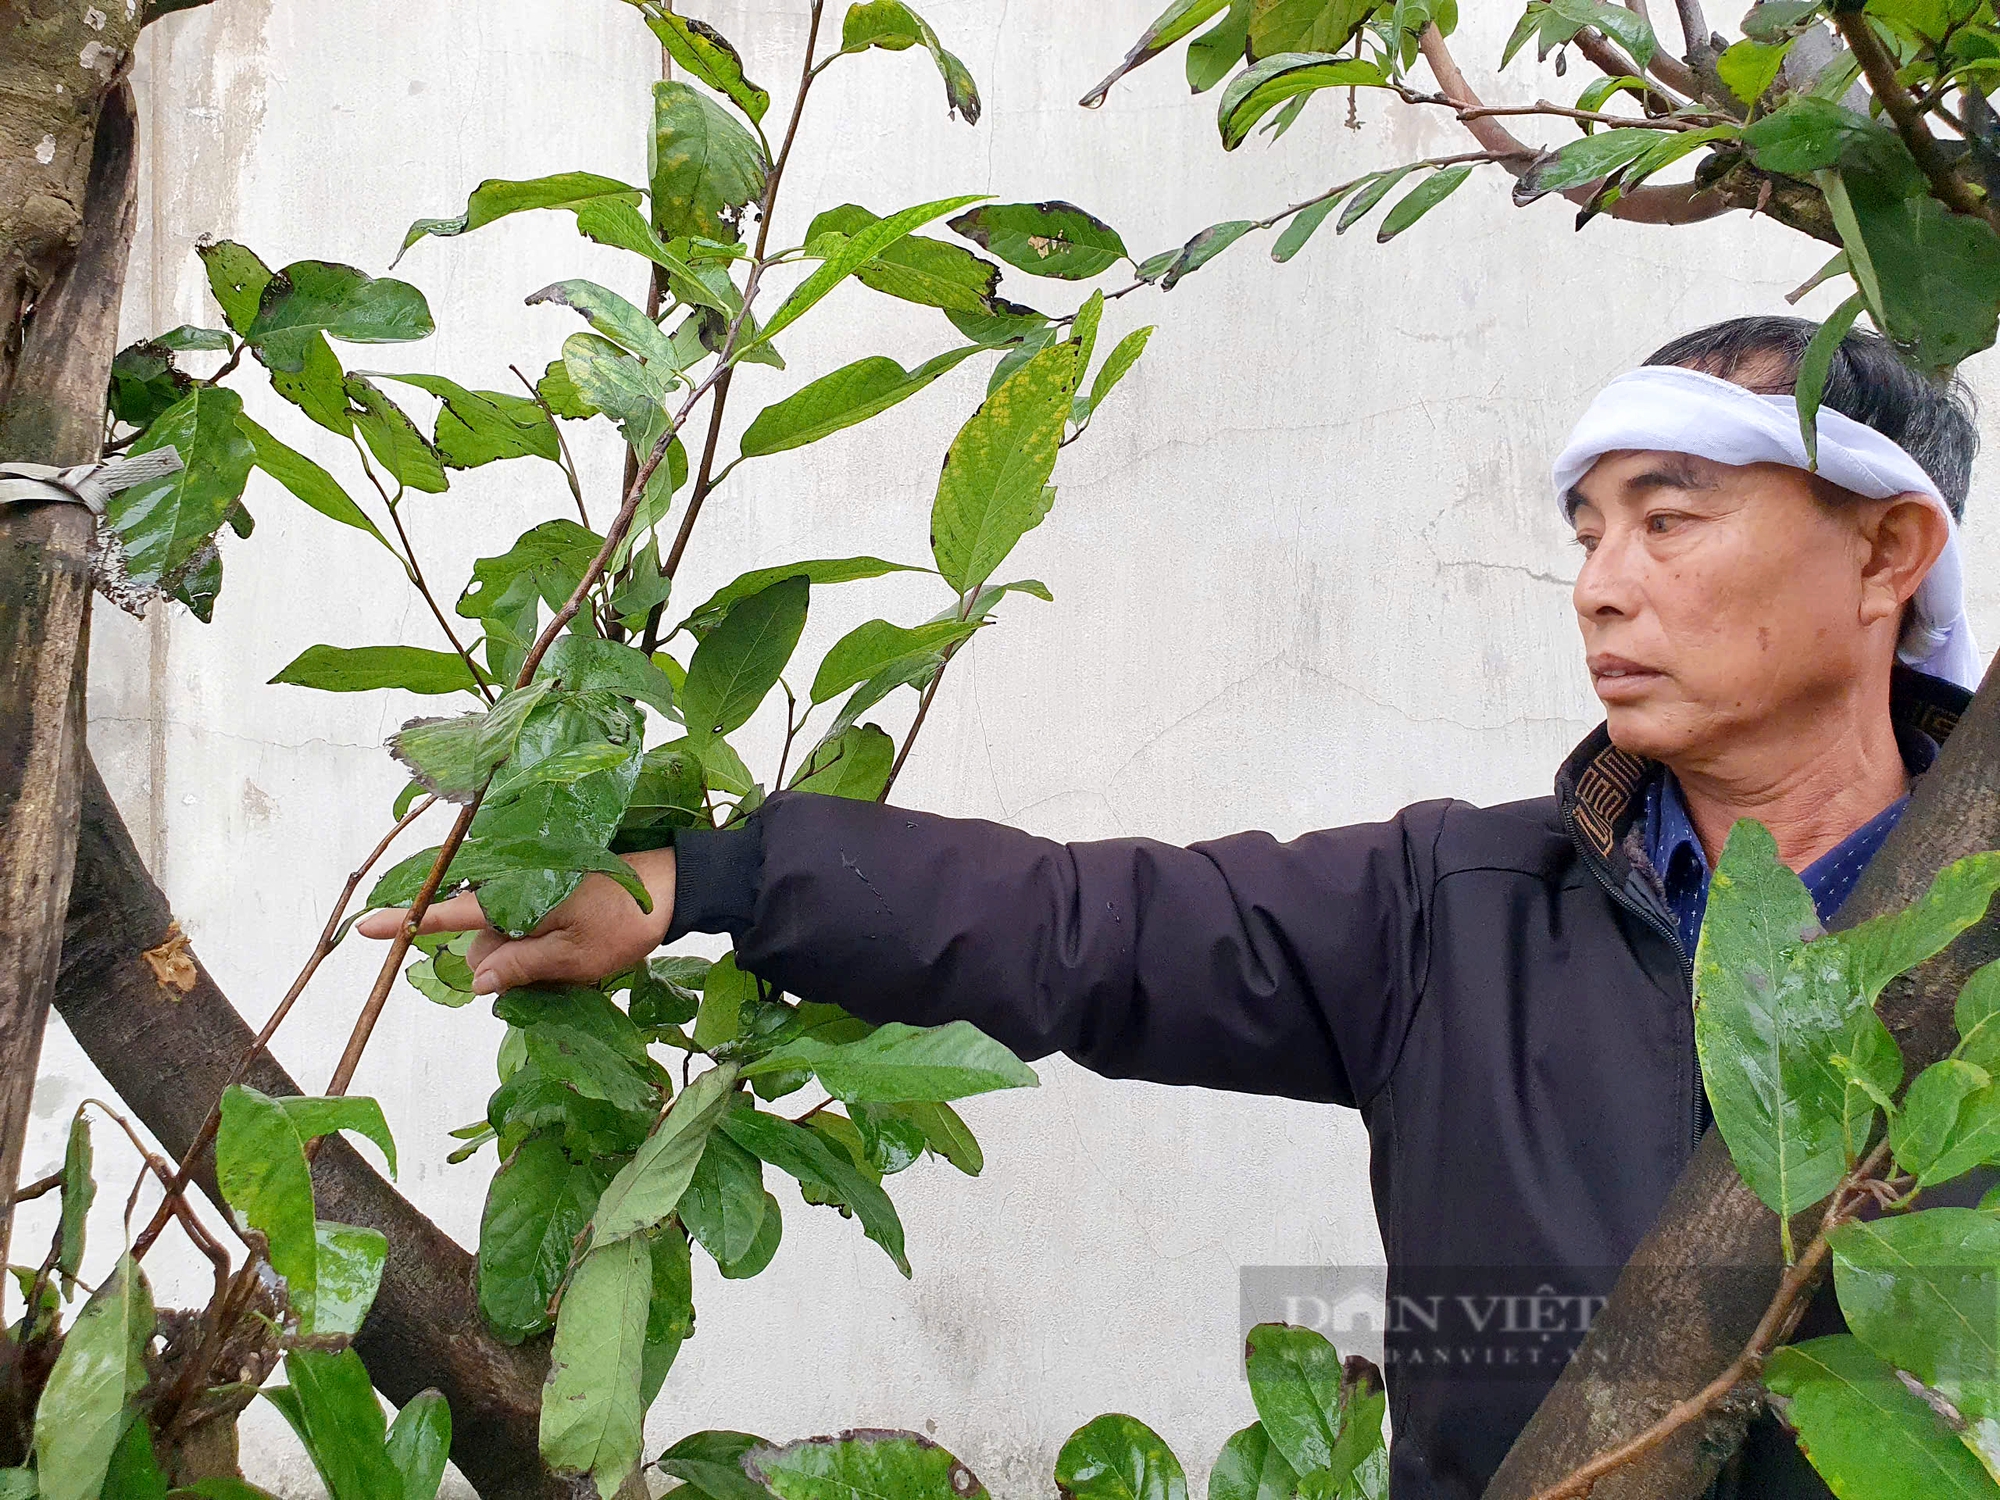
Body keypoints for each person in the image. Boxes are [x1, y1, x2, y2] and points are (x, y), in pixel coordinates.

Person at [360, 316, 1983, 1499]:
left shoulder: (1973, 945)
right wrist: (702, 880)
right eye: (1587, 529)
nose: (1601, 583)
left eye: (1672, 518)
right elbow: (1087, 925)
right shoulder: (1458, 910)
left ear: (1886, 554)